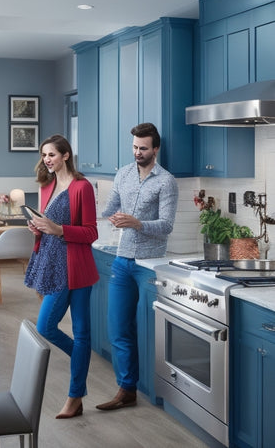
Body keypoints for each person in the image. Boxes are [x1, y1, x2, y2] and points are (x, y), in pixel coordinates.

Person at [96, 122, 178, 411]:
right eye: (134, 147)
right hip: (122, 261)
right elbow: (109, 210)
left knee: (151, 331)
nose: (137, 153)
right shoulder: (123, 174)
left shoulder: (166, 181)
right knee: (118, 328)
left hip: (149, 266)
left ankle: (161, 392)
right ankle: (127, 389)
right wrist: (98, 215)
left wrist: (137, 223)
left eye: (143, 148)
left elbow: (166, 226)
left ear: (155, 149)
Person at [24, 134, 99, 419]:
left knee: (53, 327)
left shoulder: (82, 188)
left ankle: (74, 395)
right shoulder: (47, 186)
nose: (47, 160)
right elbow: (49, 225)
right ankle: (81, 363)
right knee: (59, 332)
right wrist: (40, 229)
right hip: (52, 264)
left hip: (75, 267)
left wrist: (58, 230)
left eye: (52, 155)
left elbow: (91, 232)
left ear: (66, 155)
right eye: (44, 155)